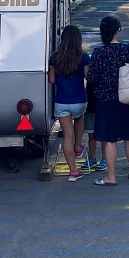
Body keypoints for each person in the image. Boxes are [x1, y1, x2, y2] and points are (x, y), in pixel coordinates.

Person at [85, 15, 129, 187]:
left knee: (109, 139)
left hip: (105, 100)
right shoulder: (128, 49)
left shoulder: (98, 52)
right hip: (127, 98)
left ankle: (111, 176)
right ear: (118, 30)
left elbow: (92, 77)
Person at [48, 24, 90, 182]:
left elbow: (51, 80)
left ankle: (73, 171)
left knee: (67, 136)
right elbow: (88, 77)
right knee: (79, 118)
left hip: (62, 101)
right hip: (79, 99)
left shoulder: (55, 57)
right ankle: (78, 146)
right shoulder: (83, 56)